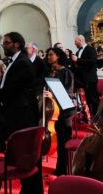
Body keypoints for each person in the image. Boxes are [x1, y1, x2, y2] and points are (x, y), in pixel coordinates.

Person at [0, 32, 42, 193]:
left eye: (7, 43)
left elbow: (11, 90)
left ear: (17, 44)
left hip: (22, 116)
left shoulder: (22, 63)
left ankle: (32, 191)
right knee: (23, 157)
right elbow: (7, 87)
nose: (3, 45)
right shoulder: (15, 62)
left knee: (27, 157)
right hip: (16, 114)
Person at [45, 47, 74, 177]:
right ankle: (60, 168)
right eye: (47, 55)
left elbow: (67, 94)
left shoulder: (66, 72)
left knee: (64, 143)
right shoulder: (52, 73)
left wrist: (52, 95)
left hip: (64, 112)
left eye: (51, 55)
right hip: (54, 112)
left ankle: (65, 170)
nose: (48, 57)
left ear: (58, 56)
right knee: (59, 143)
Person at [71, 35, 98, 115]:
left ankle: (96, 116)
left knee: (93, 98)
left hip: (90, 79)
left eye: (75, 42)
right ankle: (87, 116)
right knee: (85, 99)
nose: (75, 44)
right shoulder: (77, 52)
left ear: (80, 40)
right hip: (81, 80)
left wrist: (78, 60)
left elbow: (92, 61)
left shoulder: (91, 49)